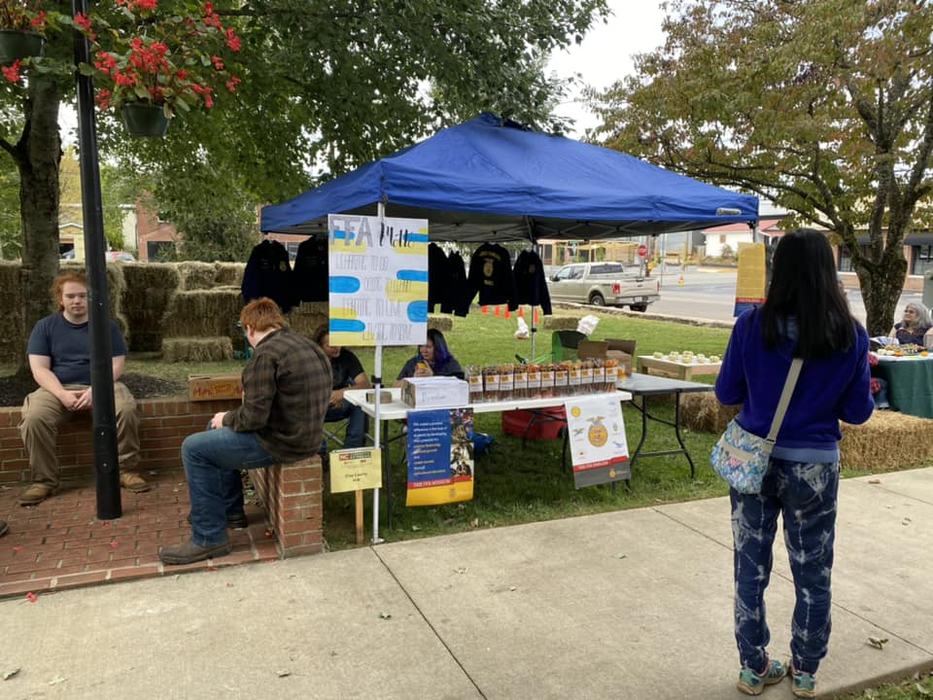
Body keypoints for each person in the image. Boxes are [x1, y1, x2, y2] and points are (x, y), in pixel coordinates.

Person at [715, 229, 873, 698]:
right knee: (813, 570)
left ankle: (753, 666)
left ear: (777, 268)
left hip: (753, 465)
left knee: (750, 567)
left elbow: (725, 394)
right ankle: (805, 670)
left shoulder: (751, 325)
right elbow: (858, 412)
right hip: (815, 469)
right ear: (828, 271)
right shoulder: (849, 333)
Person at [160, 298, 331, 565]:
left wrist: (226, 417)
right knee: (210, 432)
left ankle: (208, 538)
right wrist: (223, 421)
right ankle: (231, 512)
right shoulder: (309, 346)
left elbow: (252, 418)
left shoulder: (265, 356)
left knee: (193, 448)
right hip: (308, 437)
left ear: (249, 327)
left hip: (280, 443)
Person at [18, 271, 147, 506]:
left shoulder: (107, 326)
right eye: (71, 296)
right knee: (34, 416)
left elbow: (115, 365)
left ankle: (125, 471)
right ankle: (44, 481)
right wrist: (62, 394)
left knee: (126, 409)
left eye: (82, 295)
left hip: (102, 385)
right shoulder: (45, 327)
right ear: (60, 299)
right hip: (57, 387)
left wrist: (96, 390)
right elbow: (39, 369)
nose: (77, 301)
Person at [312, 325, 370, 450]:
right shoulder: (309, 359)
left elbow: (365, 384)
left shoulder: (347, 356)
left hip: (340, 404)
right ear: (320, 346)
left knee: (360, 404)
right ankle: (319, 454)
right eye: (331, 346)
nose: (337, 348)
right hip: (313, 407)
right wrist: (328, 398)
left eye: (339, 343)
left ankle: (351, 452)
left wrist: (343, 393)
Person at [396, 329, 464, 384]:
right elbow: (395, 385)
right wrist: (413, 379)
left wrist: (433, 377)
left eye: (428, 347)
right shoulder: (413, 362)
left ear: (438, 348)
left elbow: (459, 385)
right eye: (421, 346)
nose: (423, 350)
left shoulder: (450, 364)